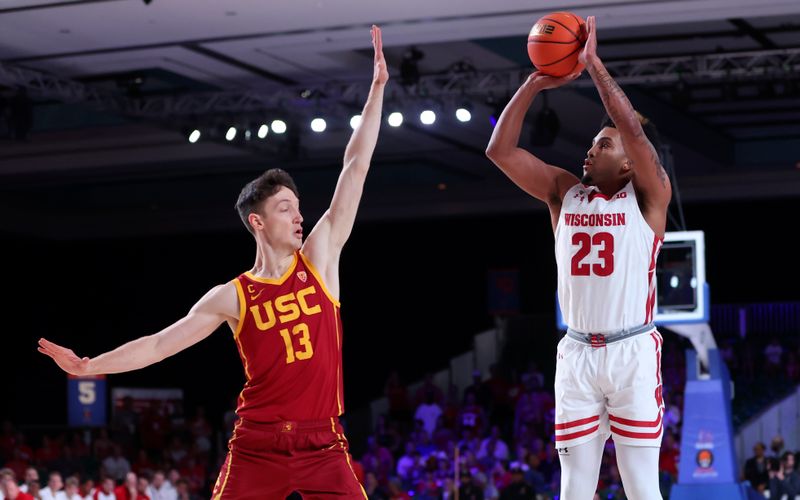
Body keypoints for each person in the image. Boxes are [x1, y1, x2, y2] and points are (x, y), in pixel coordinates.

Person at [38, 24, 389, 499]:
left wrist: (377, 91)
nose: (300, 216)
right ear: (257, 222)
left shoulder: (321, 259)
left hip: (323, 443)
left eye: (299, 206)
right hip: (257, 446)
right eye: (286, 208)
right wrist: (88, 366)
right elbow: (160, 344)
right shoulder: (232, 296)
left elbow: (355, 167)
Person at [486, 16, 671, 500]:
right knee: (574, 490)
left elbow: (631, 127)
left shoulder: (650, 197)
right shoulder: (563, 191)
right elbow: (499, 151)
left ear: (629, 161)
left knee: (642, 490)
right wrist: (532, 83)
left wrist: (594, 66)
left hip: (632, 351)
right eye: (591, 144)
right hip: (576, 353)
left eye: (602, 145)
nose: (590, 152)